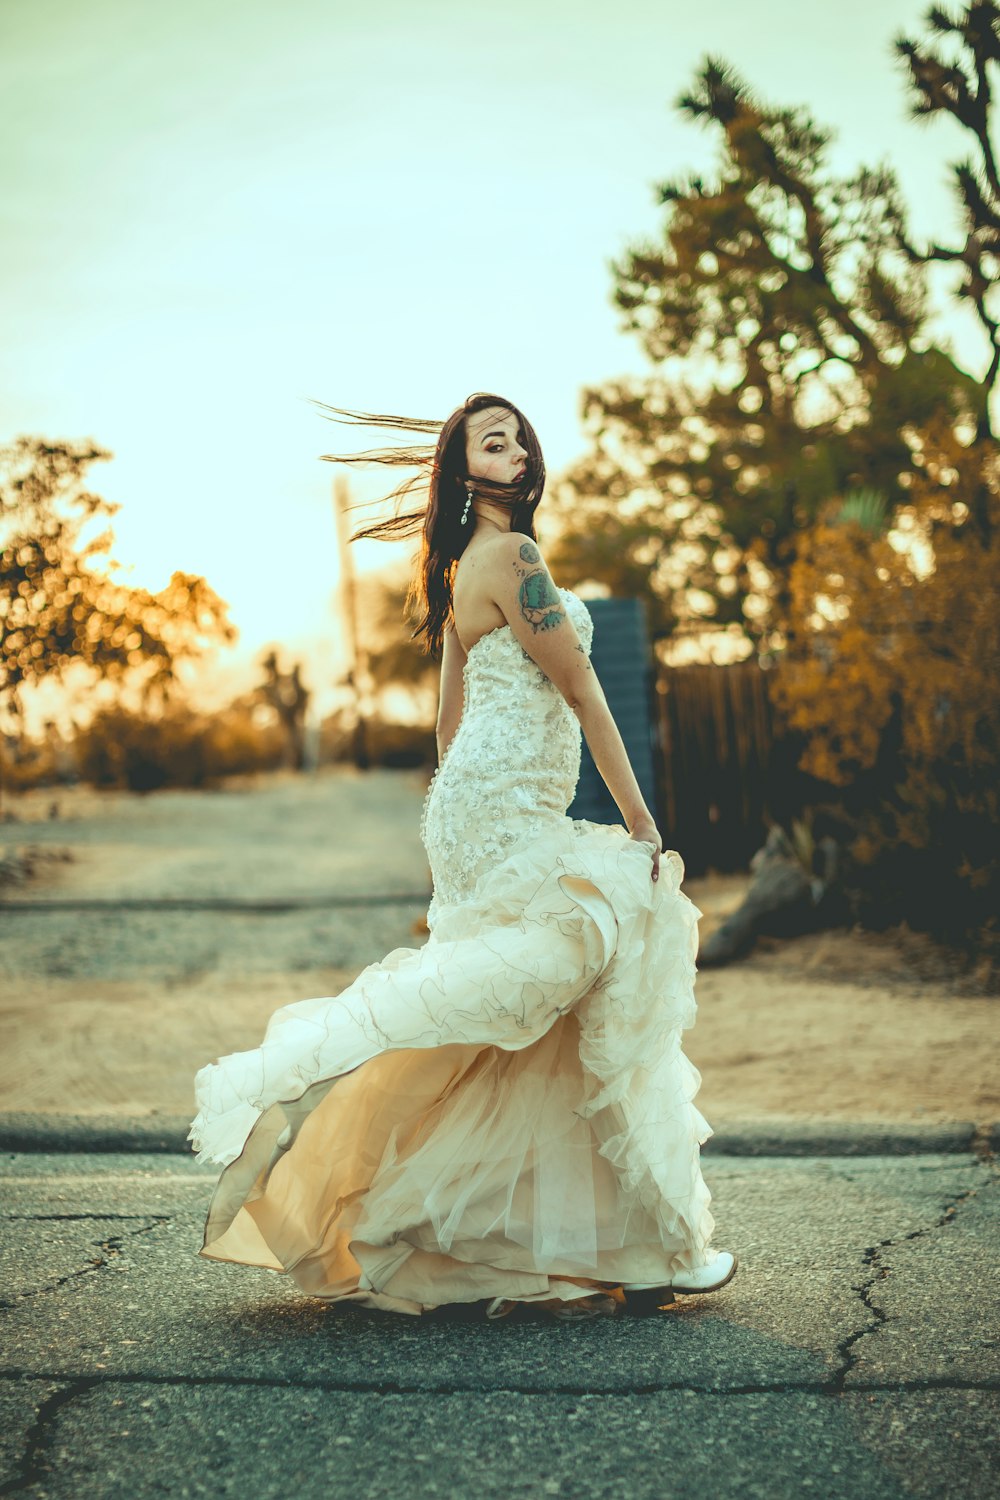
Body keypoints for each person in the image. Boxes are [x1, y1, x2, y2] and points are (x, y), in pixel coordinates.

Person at [188, 392, 737, 1320]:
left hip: (474, 804)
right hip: (501, 809)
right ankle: (649, 1249)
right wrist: (643, 823)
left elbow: (452, 718)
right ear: (465, 468)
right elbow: (585, 691)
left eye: (520, 435)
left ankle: (632, 1251)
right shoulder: (515, 559)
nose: (517, 447)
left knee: (526, 1018)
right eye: (494, 439)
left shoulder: (460, 568)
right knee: (612, 929)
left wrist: (462, 810)